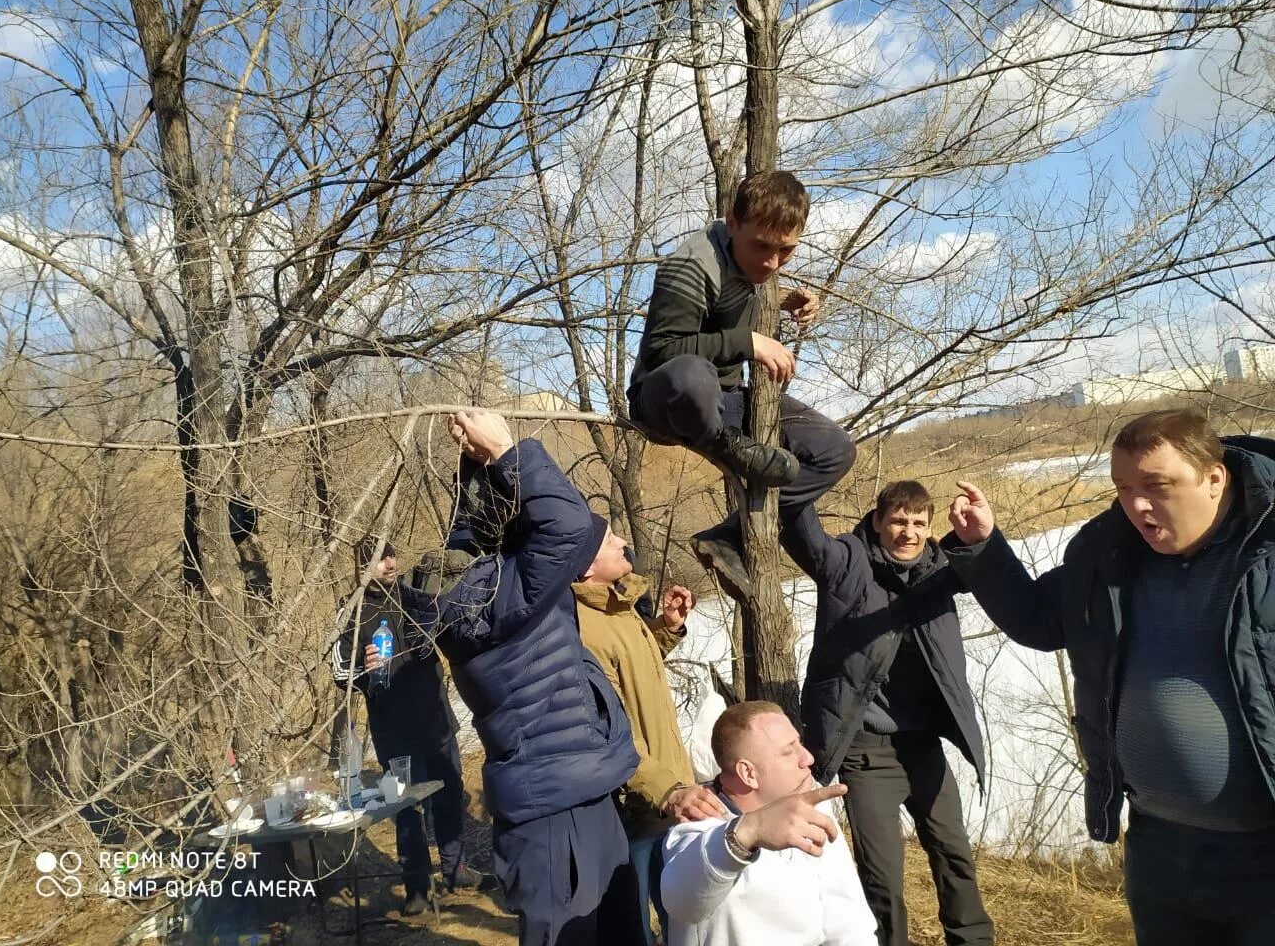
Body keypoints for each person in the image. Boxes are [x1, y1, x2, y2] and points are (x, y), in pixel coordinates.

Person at [945, 409, 1275, 945]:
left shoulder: (1266, 550)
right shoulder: (1110, 552)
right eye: (1123, 488)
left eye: (1157, 485)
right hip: (1160, 852)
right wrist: (984, 549)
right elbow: (1042, 621)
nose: (1137, 505)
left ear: (1214, 479)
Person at [413, 410, 641, 946]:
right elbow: (568, 527)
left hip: (574, 796)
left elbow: (483, 525)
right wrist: (507, 452)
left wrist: (477, 469)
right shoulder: (489, 599)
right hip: (555, 816)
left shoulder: (483, 588)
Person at [626, 170, 856, 602]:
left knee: (833, 450)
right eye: (762, 247)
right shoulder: (691, 266)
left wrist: (791, 299)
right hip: (666, 398)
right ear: (732, 221)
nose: (771, 262)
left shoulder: (753, 265)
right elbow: (663, 352)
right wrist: (749, 343)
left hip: (726, 399)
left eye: (786, 250)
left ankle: (727, 535)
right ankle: (726, 445)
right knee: (692, 373)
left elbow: (738, 295)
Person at [793, 482, 992, 946]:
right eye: (899, 521)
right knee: (882, 876)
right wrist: (799, 477)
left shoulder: (937, 568)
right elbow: (805, 539)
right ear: (878, 520)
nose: (909, 532)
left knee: (954, 854)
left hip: (922, 746)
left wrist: (977, 532)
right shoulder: (848, 563)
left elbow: (979, 560)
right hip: (866, 753)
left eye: (919, 523)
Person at [574, 537, 728, 944]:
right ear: (586, 566)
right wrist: (665, 789)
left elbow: (632, 669)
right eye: (609, 540)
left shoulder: (615, 606)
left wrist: (666, 627)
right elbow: (609, 730)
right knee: (638, 926)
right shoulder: (583, 627)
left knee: (684, 917)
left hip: (667, 795)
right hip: (639, 803)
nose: (624, 542)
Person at [330, 538, 485, 915]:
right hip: (394, 730)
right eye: (379, 559)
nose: (389, 564)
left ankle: (456, 868)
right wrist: (362, 666)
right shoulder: (351, 613)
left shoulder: (416, 599)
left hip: (436, 719)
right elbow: (338, 672)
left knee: (449, 794)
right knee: (406, 806)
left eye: (391, 555)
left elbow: (448, 633)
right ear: (361, 569)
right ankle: (417, 887)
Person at [660, 700, 877, 946]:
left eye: (800, 743)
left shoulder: (814, 807)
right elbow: (683, 902)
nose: (807, 758)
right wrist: (749, 832)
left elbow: (849, 923)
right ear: (748, 773)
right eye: (788, 751)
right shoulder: (698, 825)